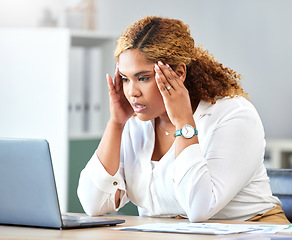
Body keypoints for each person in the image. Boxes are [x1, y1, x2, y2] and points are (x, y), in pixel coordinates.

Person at [77, 16, 290, 223]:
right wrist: (116, 124)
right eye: (125, 79)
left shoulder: (234, 115)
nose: (132, 92)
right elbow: (93, 204)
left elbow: (199, 208)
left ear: (178, 73)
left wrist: (183, 123)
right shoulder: (137, 124)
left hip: (254, 231)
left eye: (143, 78)